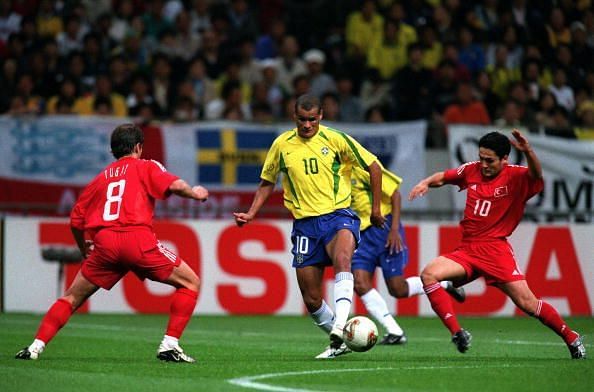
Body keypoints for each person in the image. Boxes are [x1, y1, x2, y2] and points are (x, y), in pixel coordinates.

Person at [15, 124, 209, 363]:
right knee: (190, 283)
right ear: (138, 147)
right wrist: (196, 193)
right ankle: (170, 344)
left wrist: (83, 247)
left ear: (114, 151)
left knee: (71, 298)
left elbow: (76, 220)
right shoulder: (146, 165)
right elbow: (176, 185)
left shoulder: (99, 179)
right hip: (137, 239)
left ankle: (34, 347)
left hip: (104, 244)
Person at [408, 129, 586, 359]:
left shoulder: (516, 176)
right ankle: (457, 333)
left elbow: (536, 174)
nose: (483, 164)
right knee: (429, 274)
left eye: (489, 160)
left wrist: (529, 151)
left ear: (505, 159)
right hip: (468, 249)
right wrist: (425, 183)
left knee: (528, 304)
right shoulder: (472, 170)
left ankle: (571, 337)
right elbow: (443, 176)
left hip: (495, 250)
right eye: (481, 158)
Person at [234, 94, 384, 359]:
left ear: (321, 116)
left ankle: (340, 324)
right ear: (295, 117)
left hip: (338, 215)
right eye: (302, 120)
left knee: (342, 258)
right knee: (312, 299)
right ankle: (338, 342)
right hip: (304, 225)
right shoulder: (282, 144)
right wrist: (251, 213)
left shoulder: (335, 139)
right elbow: (267, 181)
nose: (306, 125)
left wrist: (374, 209)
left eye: (311, 119)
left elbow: (374, 166)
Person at [351, 165, 466, 345]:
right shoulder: (331, 177)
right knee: (359, 283)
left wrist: (394, 229)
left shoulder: (363, 168)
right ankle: (395, 332)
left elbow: (395, 194)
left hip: (384, 228)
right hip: (361, 234)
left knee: (398, 289)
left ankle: (443, 284)